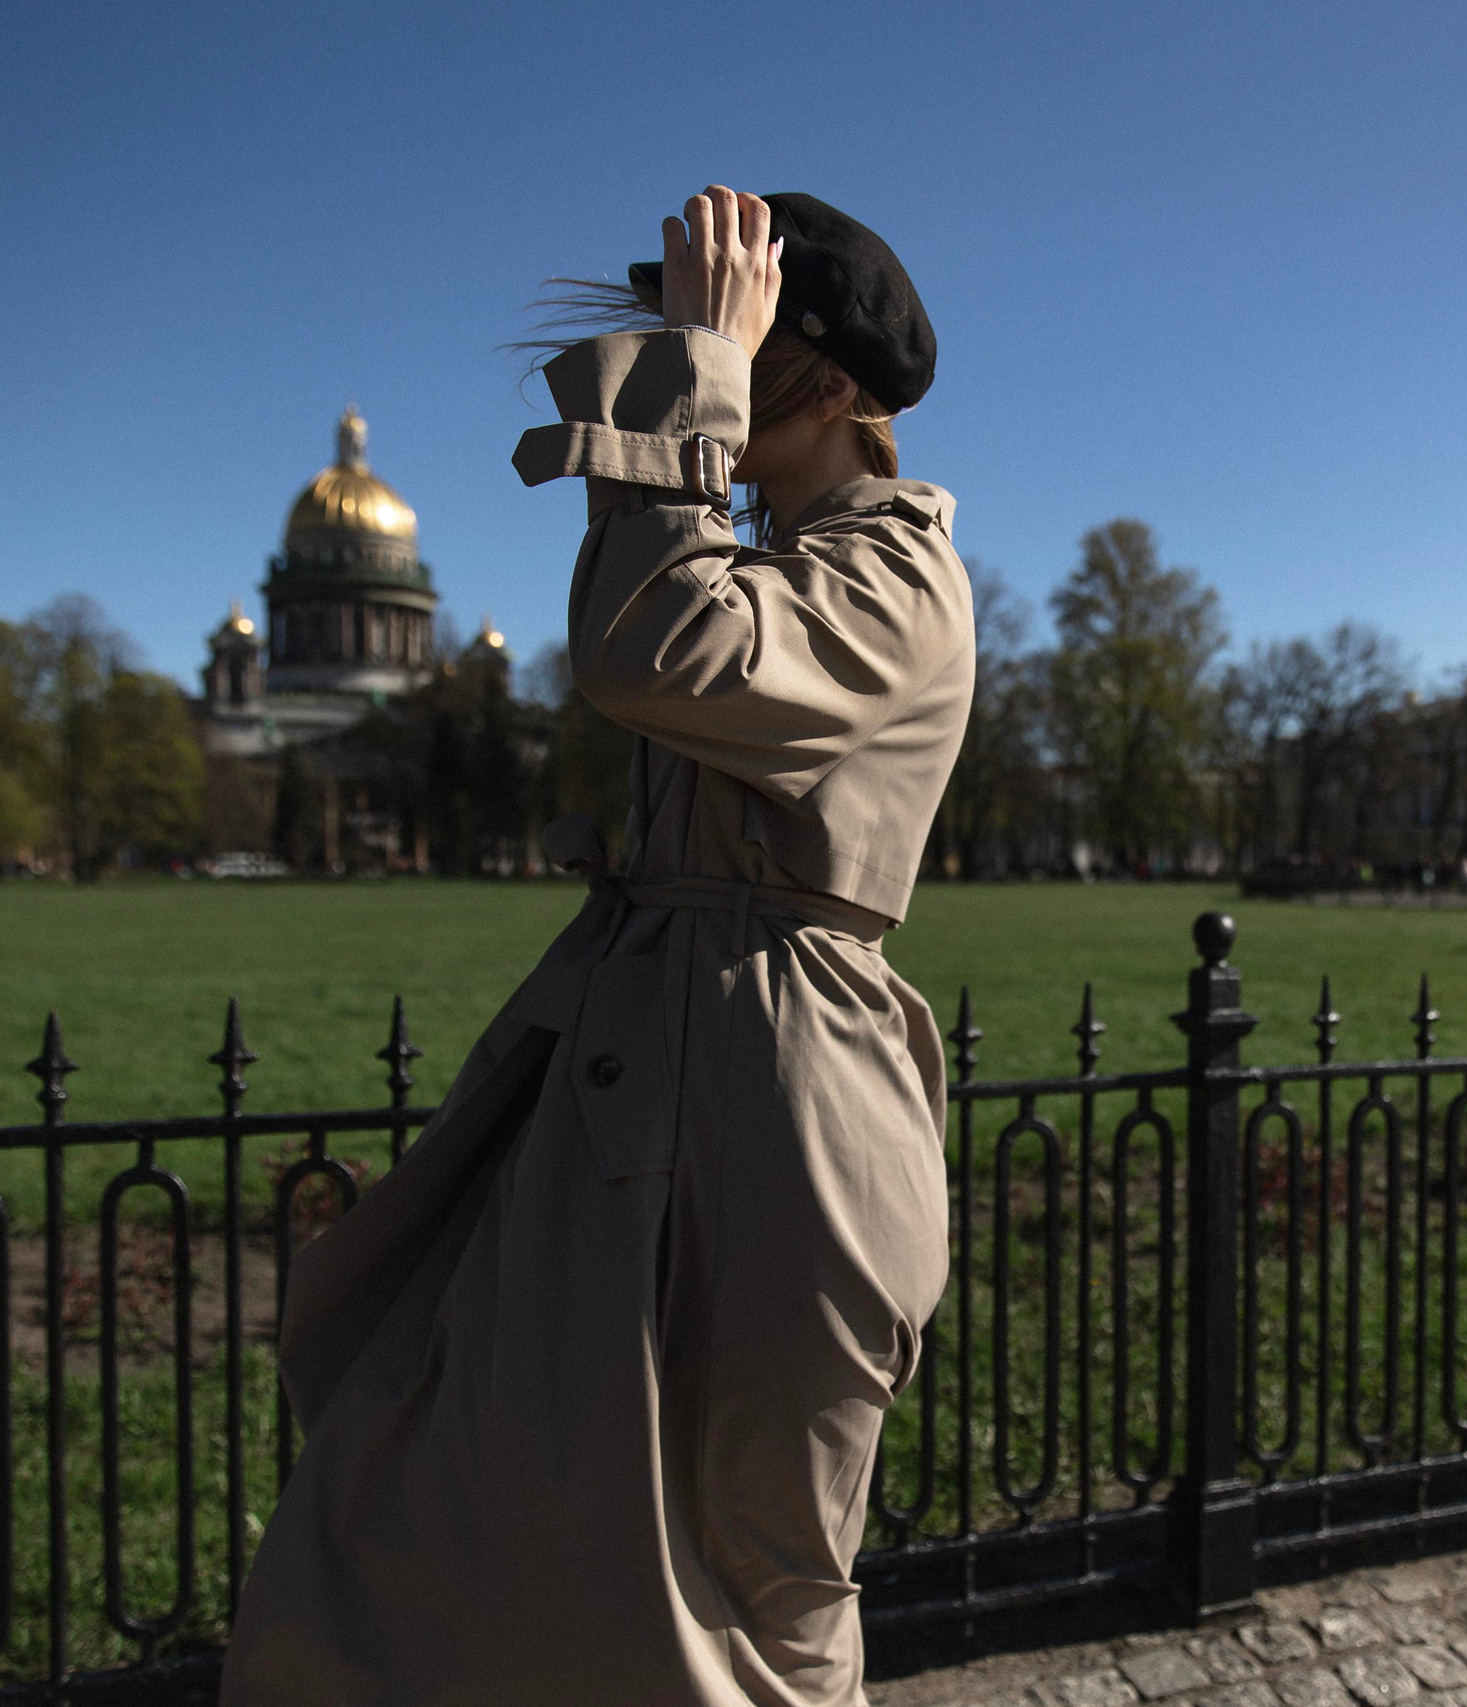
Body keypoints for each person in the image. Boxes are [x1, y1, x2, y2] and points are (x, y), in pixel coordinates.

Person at [221, 188, 973, 1706]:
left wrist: (693, 373)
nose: (694, 352)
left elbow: (658, 647)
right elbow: (653, 636)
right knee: (425, 1484)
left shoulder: (904, 574)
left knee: (753, 1590)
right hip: (648, 1094)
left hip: (776, 1121)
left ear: (824, 389)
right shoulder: (766, 552)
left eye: (740, 342)